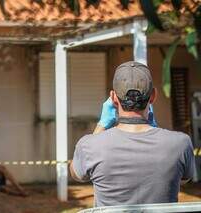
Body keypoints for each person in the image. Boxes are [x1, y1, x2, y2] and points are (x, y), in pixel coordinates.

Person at [70, 61, 195, 207]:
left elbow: (76, 174)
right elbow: (182, 179)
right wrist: (154, 128)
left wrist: (101, 125)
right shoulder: (181, 143)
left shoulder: (89, 145)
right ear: (153, 96)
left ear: (113, 98)